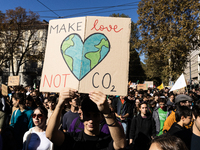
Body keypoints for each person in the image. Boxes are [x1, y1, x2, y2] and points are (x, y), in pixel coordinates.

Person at [46, 88, 126, 150]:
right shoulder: (73, 139)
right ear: (82, 115)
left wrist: (106, 112)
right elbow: (50, 135)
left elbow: (121, 145)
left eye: (95, 115)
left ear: (101, 116)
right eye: (88, 115)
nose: (91, 120)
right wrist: (60, 104)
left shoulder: (107, 140)